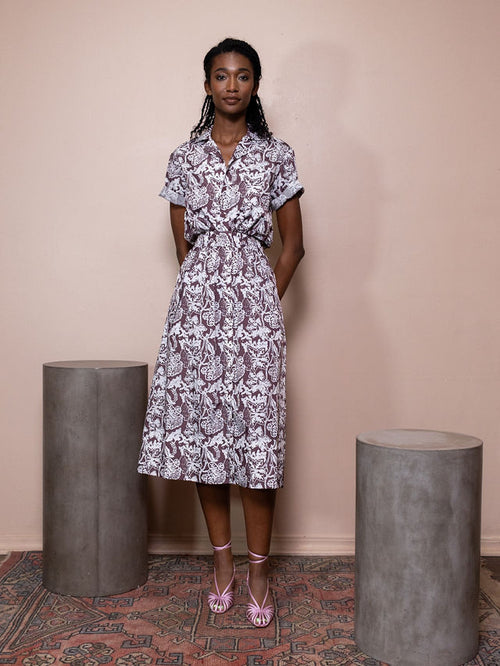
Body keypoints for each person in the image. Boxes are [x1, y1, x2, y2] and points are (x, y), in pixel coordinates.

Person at [137, 37, 304, 628]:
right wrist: (207, 299)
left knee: (255, 443)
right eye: (220, 75)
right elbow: (185, 247)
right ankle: (223, 566)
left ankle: (259, 571)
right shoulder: (185, 158)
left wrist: (260, 307)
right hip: (196, 316)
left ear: (255, 85)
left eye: (243, 75)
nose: (232, 84)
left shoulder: (277, 156)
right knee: (208, 441)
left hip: (253, 319)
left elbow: (294, 246)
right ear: (207, 85)